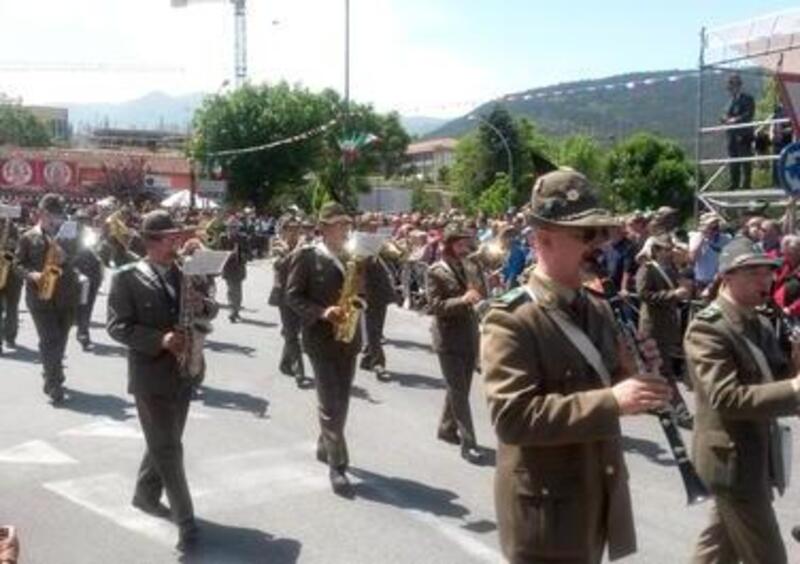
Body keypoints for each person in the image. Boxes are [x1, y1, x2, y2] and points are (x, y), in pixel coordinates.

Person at [481, 169, 671, 563]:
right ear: (543, 239)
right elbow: (512, 418)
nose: (599, 244)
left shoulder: (599, 307)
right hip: (546, 516)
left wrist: (638, 377)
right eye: (586, 234)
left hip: (594, 498)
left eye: (601, 232)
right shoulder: (510, 318)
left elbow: (612, 386)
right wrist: (613, 400)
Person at [686, 236, 800, 564]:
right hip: (732, 462)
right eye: (753, 273)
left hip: (755, 453)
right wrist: (794, 389)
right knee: (768, 556)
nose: (765, 280)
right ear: (727, 276)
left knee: (717, 549)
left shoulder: (759, 322)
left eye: (767, 272)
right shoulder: (708, 329)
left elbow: (777, 379)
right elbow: (726, 398)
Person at [107, 210, 216, 552]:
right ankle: (187, 524)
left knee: (165, 440)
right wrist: (160, 340)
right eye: (170, 238)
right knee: (169, 449)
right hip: (150, 376)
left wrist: (203, 304)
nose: (177, 242)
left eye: (176, 237)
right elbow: (117, 327)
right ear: (152, 242)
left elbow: (211, 310)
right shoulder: (126, 277)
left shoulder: (184, 272)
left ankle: (145, 494)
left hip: (185, 370)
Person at [286, 202, 361, 496]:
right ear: (325, 228)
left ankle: (324, 443)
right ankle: (337, 465)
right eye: (340, 224)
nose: (345, 229)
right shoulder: (307, 257)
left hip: (349, 336)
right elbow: (292, 296)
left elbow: (368, 290)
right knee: (330, 403)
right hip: (320, 337)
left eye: (346, 224)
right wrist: (321, 312)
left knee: (341, 400)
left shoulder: (354, 254)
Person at [427, 223, 485, 464]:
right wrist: (462, 300)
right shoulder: (436, 271)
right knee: (459, 392)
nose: (465, 248)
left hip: (469, 336)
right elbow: (435, 306)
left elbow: (480, 294)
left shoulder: (471, 266)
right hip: (448, 338)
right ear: (449, 245)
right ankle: (468, 442)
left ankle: (446, 428)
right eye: (460, 243)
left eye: (466, 243)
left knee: (459, 388)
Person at [15, 193, 80, 404]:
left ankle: (51, 370)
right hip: (39, 296)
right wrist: (31, 274)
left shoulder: (71, 235)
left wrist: (67, 258)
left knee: (60, 339)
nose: (58, 219)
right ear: (42, 213)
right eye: (53, 214)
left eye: (60, 214)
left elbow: (85, 257)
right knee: (49, 339)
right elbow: (17, 264)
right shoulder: (27, 236)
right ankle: (54, 383)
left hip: (67, 295)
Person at [635, 234, 694, 428]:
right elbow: (644, 294)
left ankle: (652, 402)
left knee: (653, 367)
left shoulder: (671, 269)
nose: (669, 252)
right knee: (664, 369)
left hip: (667, 325)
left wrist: (682, 293)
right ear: (657, 250)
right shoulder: (647, 269)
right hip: (652, 325)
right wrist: (672, 294)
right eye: (665, 249)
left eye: (670, 248)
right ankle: (681, 412)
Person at [268, 213, 311, 388]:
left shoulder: (305, 246)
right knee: (292, 334)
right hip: (284, 294)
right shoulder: (277, 245)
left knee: (293, 331)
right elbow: (279, 265)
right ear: (284, 231)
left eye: (297, 229)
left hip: (301, 294)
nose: (295, 232)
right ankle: (299, 372)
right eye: (291, 229)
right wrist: (297, 251)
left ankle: (285, 363)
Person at [359, 213, 397, 382]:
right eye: (371, 223)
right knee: (373, 329)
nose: (375, 225)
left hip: (381, 290)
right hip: (366, 290)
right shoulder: (356, 242)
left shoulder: (381, 241)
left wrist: (395, 247)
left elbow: (396, 255)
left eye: (376, 222)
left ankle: (367, 358)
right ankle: (378, 363)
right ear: (363, 225)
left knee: (377, 328)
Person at [723, 73, 756, 190]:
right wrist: (725, 119)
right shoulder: (730, 101)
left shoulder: (747, 98)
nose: (731, 89)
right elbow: (725, 114)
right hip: (732, 135)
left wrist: (735, 120)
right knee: (733, 159)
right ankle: (734, 183)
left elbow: (748, 114)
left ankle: (746, 184)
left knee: (745, 159)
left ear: (738, 85)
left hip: (744, 134)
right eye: (730, 86)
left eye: (732, 85)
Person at [218, 219, 247, 323]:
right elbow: (220, 251)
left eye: (235, 227)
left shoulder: (243, 237)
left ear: (238, 228)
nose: (232, 229)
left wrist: (240, 255)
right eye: (230, 227)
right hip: (228, 267)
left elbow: (248, 252)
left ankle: (236, 310)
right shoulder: (223, 237)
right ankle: (232, 310)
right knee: (230, 289)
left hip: (239, 267)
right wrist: (229, 254)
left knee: (238, 290)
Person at [0, 214, 22, 352]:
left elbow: (15, 253)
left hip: (12, 275)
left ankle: (10, 337)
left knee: (12, 308)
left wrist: (5, 257)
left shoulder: (13, 231)